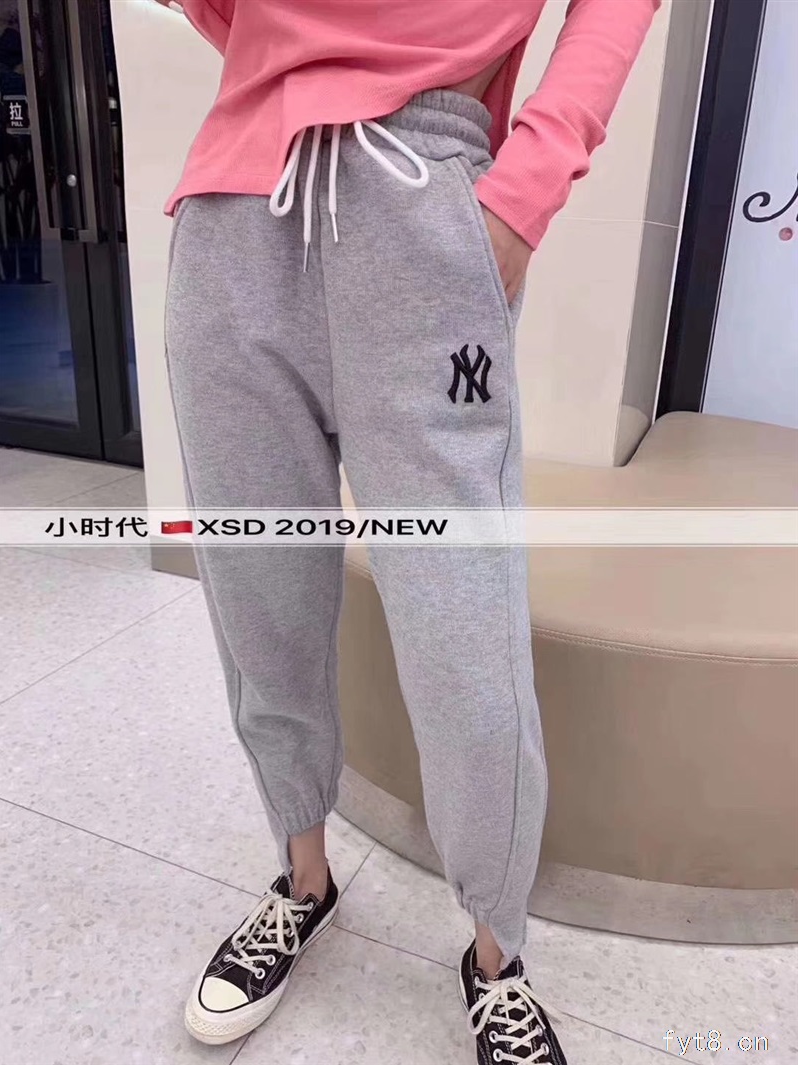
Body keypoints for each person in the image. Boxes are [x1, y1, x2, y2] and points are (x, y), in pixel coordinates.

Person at [161, 1, 659, 1059]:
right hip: (237, 203)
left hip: (420, 193)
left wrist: (521, 195)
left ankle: (497, 959)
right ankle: (301, 882)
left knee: (463, 633)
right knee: (258, 598)